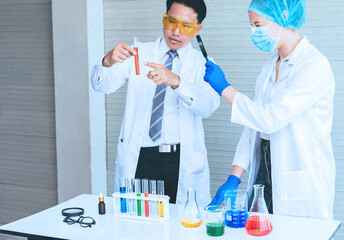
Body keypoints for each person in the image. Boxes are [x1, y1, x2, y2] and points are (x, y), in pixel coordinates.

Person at [205, 0, 335, 219]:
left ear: (282, 18)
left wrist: (224, 88)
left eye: (258, 25)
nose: (253, 32)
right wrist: (235, 177)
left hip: (299, 179)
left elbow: (270, 119)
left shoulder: (313, 66)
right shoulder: (268, 67)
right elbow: (253, 124)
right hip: (264, 169)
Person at [91, 0, 220, 205]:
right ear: (165, 17)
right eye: (171, 21)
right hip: (141, 157)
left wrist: (176, 81)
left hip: (180, 159)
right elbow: (102, 86)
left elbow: (209, 106)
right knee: (136, 223)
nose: (176, 31)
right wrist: (108, 61)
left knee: (181, 228)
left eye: (186, 26)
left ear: (198, 29)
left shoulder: (203, 64)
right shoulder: (138, 53)